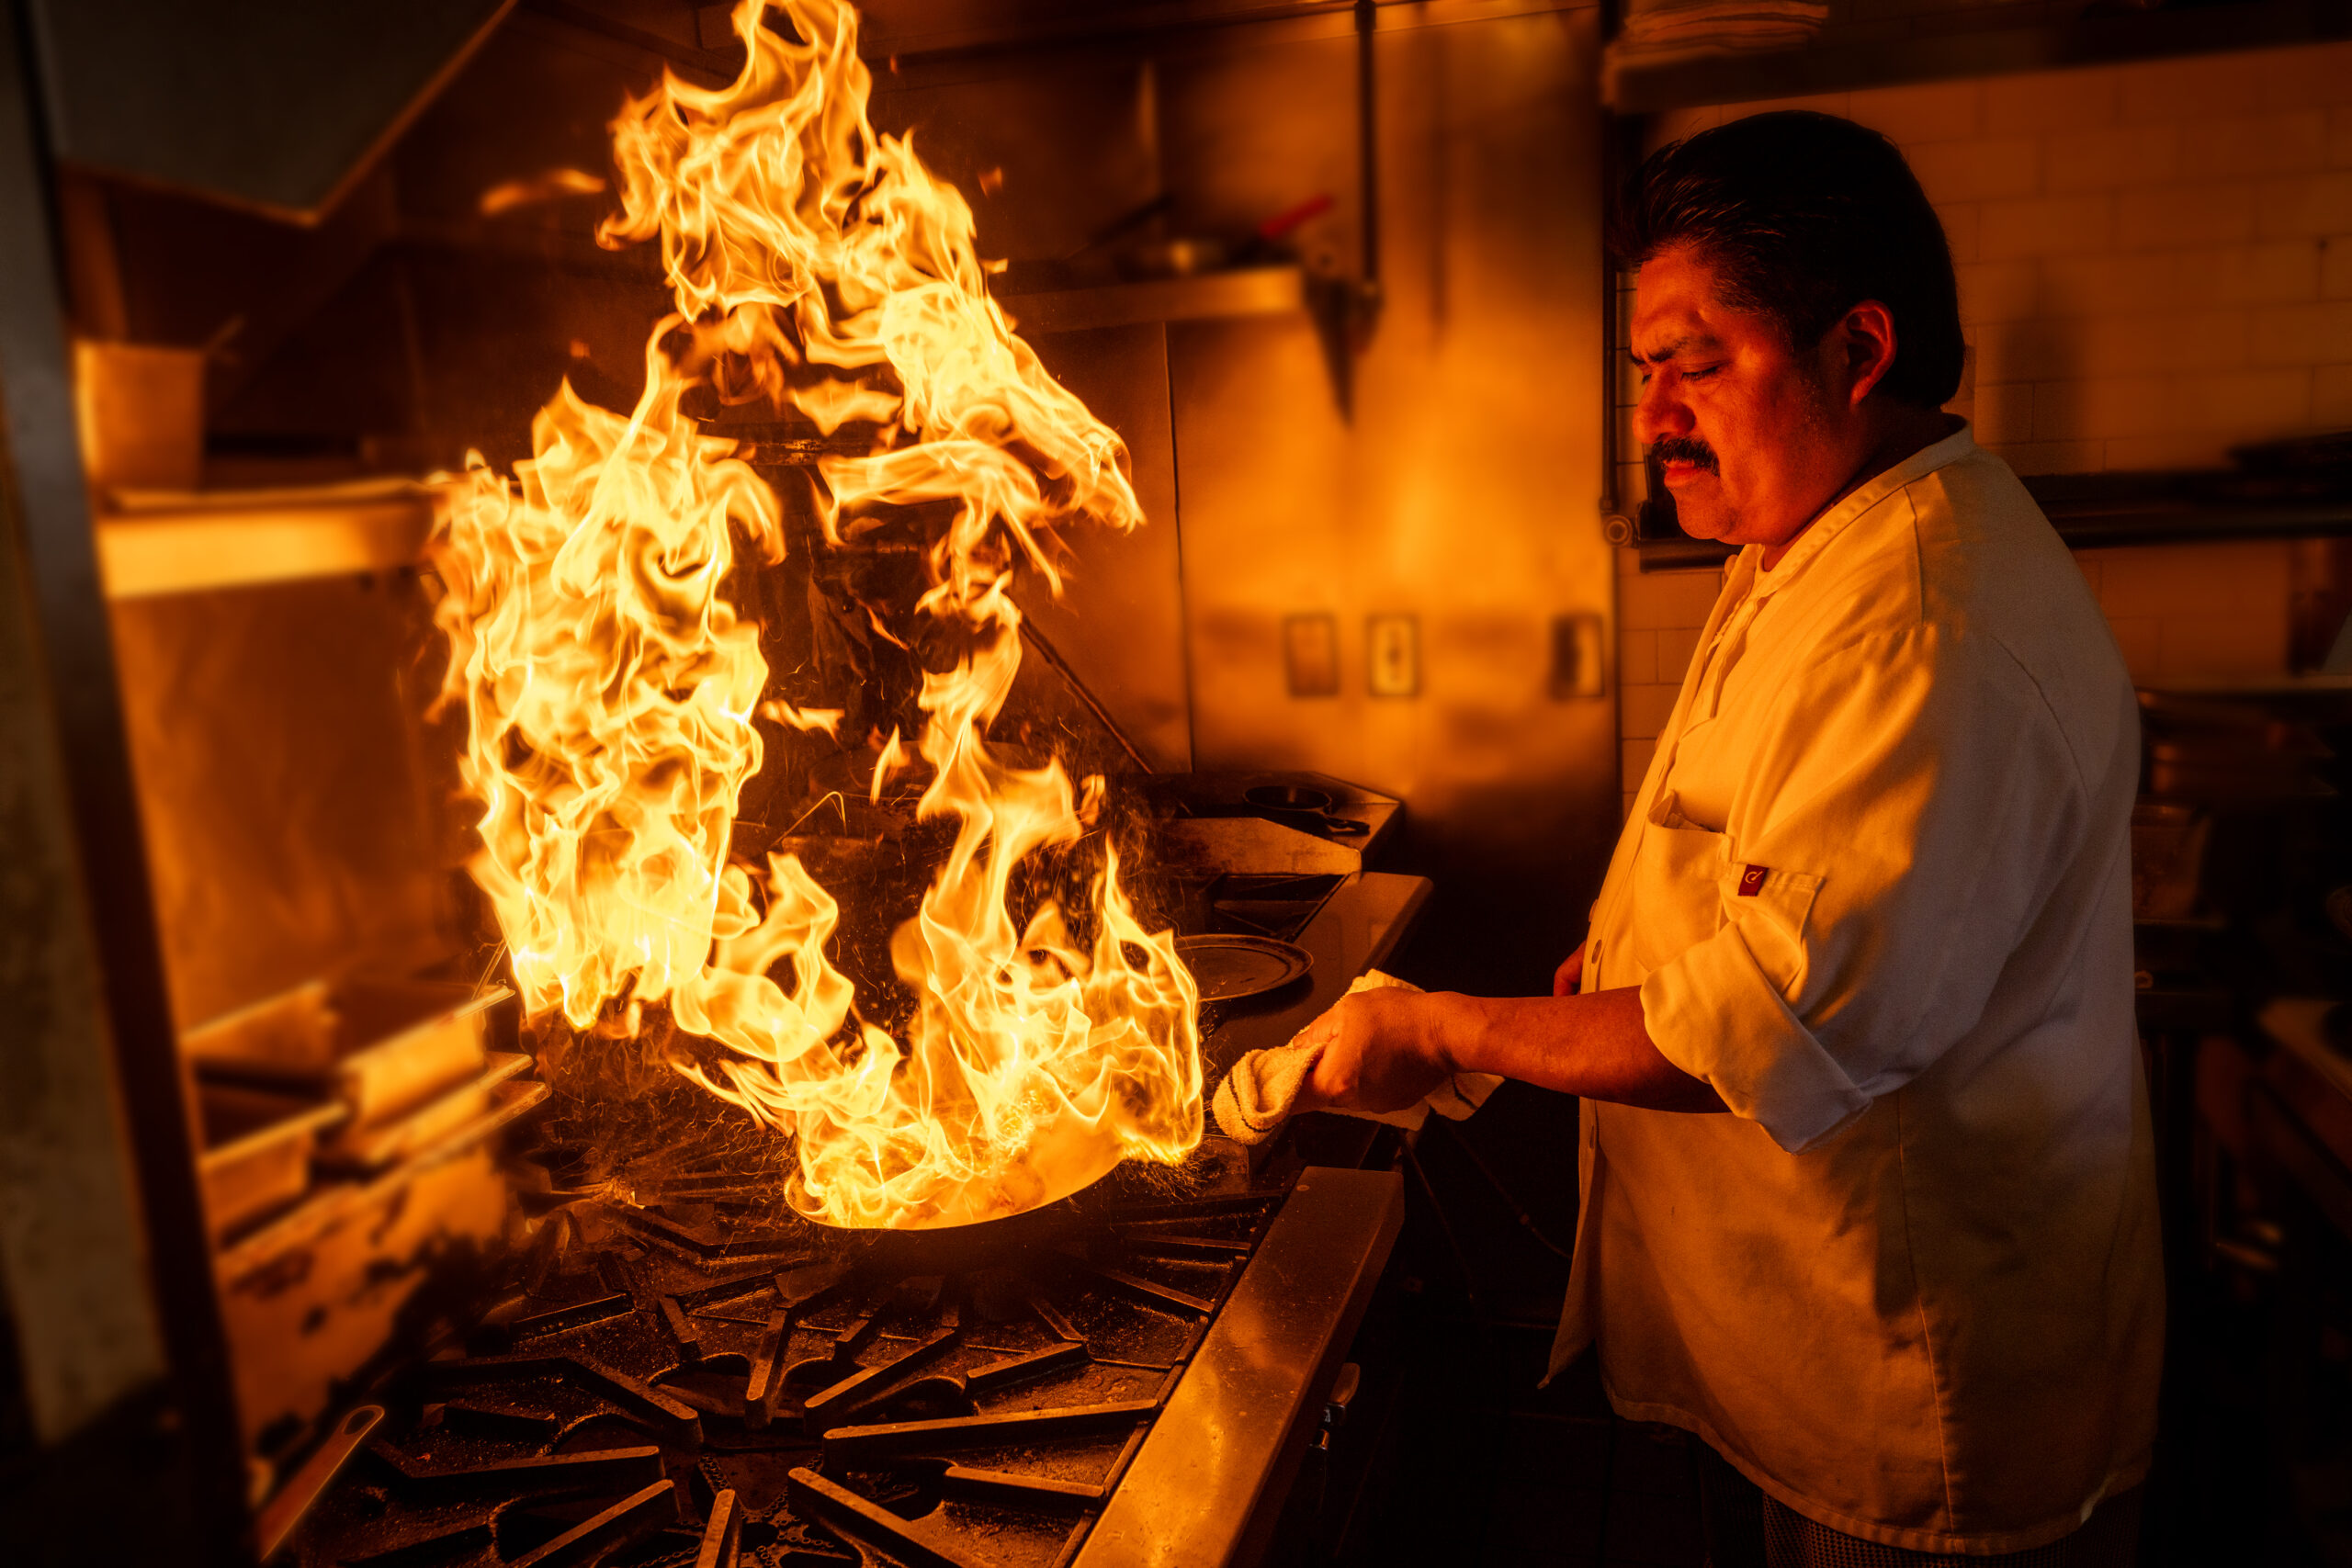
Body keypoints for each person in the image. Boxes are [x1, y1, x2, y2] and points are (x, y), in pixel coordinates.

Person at [1292, 111, 2163, 1566]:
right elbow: (1772, 862)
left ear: (1857, 349)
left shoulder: (1919, 624)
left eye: (1695, 363)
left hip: (1912, 1392)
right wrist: (1623, 961)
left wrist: (1445, 1030)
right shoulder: (1814, 543)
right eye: (1644, 370)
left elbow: (1766, 1019)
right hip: (1810, 1342)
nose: (1653, 418)